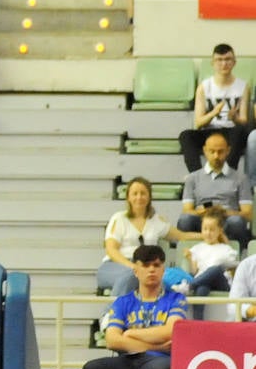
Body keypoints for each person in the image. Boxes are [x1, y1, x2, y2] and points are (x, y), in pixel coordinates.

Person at [98, 177, 195, 296]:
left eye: (143, 193)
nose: (139, 197)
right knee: (132, 276)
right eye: (135, 194)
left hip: (144, 268)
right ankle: (110, 313)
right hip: (114, 266)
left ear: (149, 197)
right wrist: (133, 266)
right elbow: (111, 250)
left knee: (150, 279)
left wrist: (206, 235)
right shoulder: (119, 219)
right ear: (128, 197)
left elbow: (181, 236)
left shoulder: (156, 221)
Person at [179, 44, 248, 176]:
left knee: (240, 132)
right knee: (186, 136)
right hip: (209, 130)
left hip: (231, 130)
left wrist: (235, 118)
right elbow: (198, 123)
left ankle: (226, 174)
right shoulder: (204, 87)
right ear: (213, 63)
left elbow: (244, 122)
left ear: (234, 62)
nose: (224, 64)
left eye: (228, 59)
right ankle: (198, 176)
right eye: (219, 60)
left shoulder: (243, 86)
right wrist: (213, 113)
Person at [178, 132, 252, 251]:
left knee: (237, 222)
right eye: (212, 151)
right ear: (205, 151)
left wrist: (225, 212)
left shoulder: (241, 178)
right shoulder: (192, 178)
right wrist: (204, 212)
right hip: (202, 220)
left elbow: (248, 214)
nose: (216, 156)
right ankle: (188, 256)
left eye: (220, 151)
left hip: (227, 219)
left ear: (228, 151)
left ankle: (234, 256)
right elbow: (187, 210)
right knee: (186, 220)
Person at [185, 209, 238, 319]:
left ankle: (189, 286)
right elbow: (195, 271)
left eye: (212, 230)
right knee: (202, 289)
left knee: (216, 269)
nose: (208, 233)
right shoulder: (197, 248)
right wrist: (190, 258)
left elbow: (230, 268)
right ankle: (197, 323)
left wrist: (225, 241)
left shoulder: (227, 249)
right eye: (205, 229)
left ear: (220, 231)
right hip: (202, 280)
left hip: (221, 283)